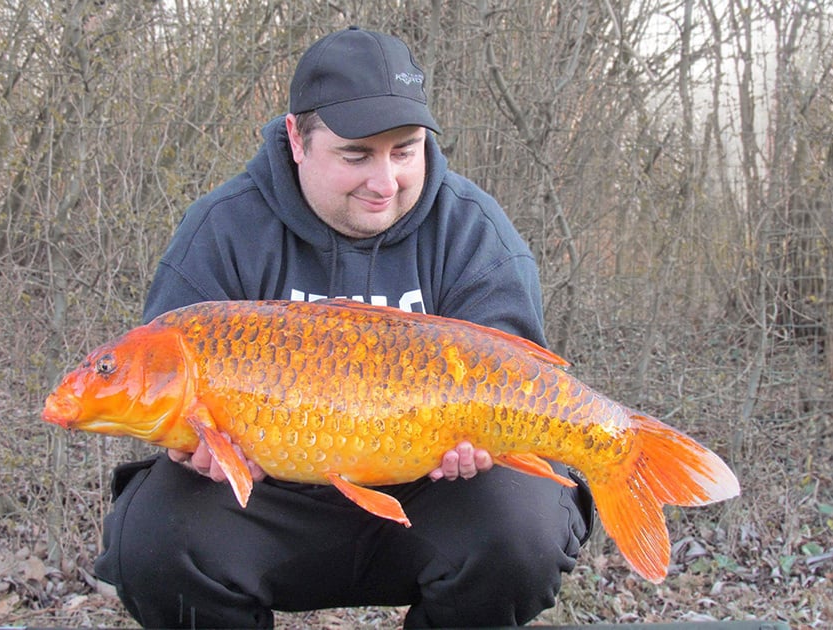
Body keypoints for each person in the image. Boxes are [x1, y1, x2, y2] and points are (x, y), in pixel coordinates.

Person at [93, 26, 595, 629]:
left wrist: (484, 447)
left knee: (529, 525)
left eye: (405, 151)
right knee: (152, 542)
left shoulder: (473, 233)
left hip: (430, 498)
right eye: (356, 155)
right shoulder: (223, 230)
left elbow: (522, 381)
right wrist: (199, 449)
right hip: (269, 507)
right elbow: (158, 390)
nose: (384, 183)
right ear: (296, 140)